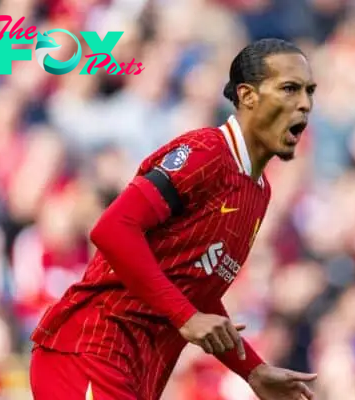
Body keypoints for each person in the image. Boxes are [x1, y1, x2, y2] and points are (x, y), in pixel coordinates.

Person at [29, 38, 318, 400]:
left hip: (137, 371)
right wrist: (185, 317)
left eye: (309, 91)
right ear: (248, 96)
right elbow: (112, 229)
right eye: (289, 89)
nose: (304, 104)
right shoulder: (206, 153)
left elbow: (194, 288)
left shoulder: (258, 192)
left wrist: (253, 370)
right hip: (93, 348)